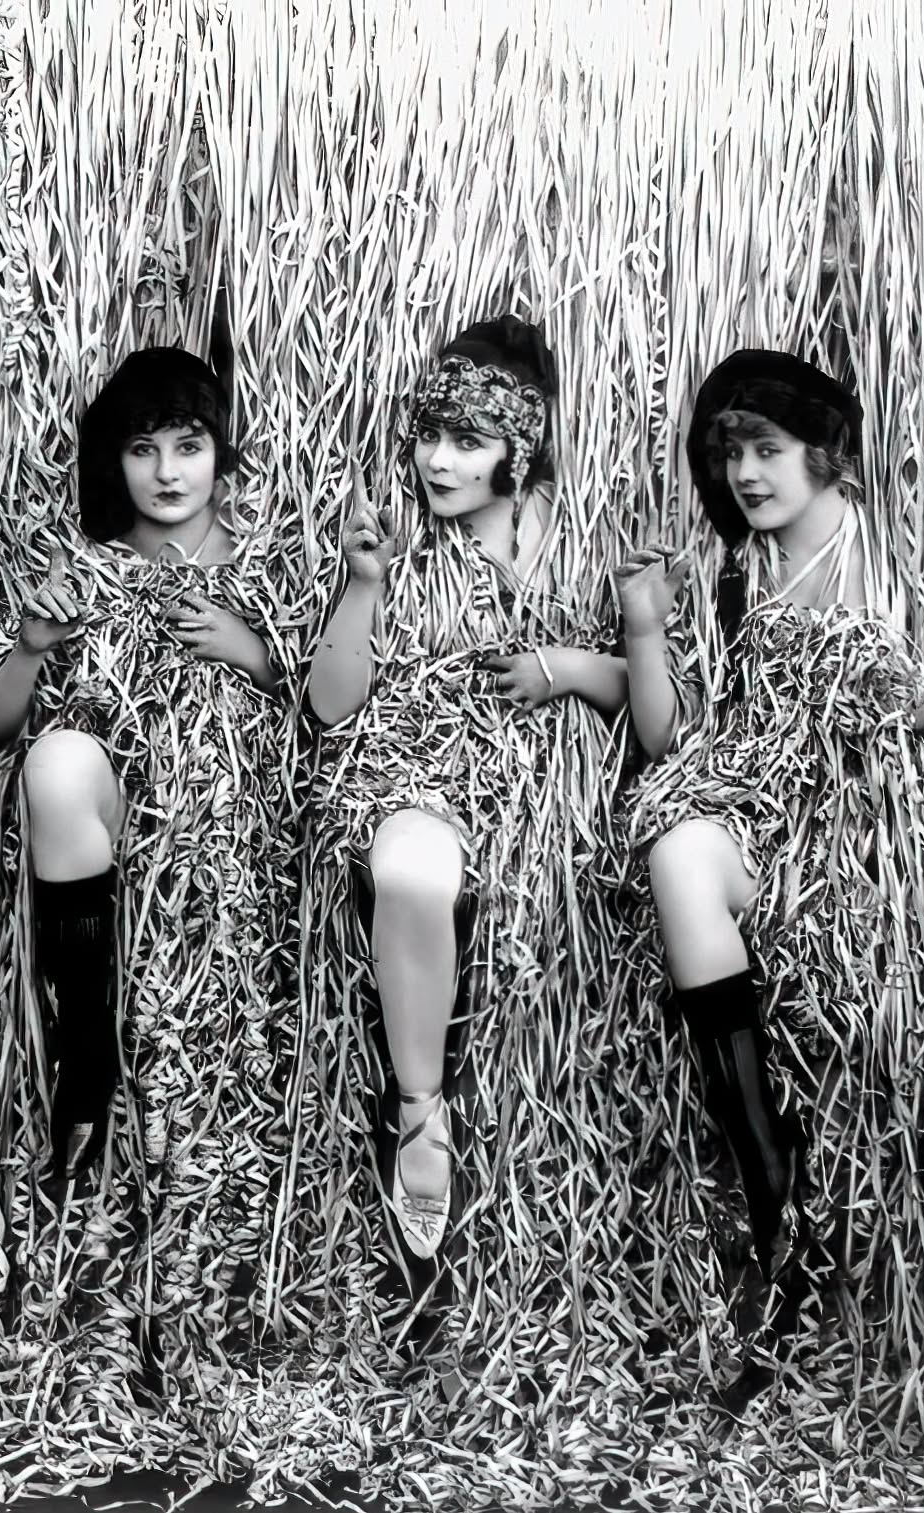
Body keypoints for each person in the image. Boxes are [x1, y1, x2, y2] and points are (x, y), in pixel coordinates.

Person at [618, 348, 924, 1399]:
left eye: (767, 448)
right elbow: (665, 740)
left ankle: (869, 1250)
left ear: (826, 453)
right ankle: (776, 1205)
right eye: (730, 453)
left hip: (876, 842)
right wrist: (646, 625)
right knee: (676, 851)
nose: (746, 473)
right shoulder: (727, 574)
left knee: (871, 1007)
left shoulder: (905, 553)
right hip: (760, 818)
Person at [0, 346, 297, 1421]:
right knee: (58, 759)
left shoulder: (270, 565)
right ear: (115, 462)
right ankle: (86, 1055)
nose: (166, 472)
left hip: (225, 859)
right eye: (143, 449)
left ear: (220, 455)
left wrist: (254, 653)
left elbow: (329, 720)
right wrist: (31, 647)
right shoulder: (79, 571)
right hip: (100, 854)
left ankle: (189, 1309)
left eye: (188, 446)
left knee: (200, 1086)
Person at [289, 314, 629, 1348]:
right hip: (412, 782)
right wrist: (363, 584)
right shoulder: (395, 541)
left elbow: (653, 698)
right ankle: (420, 1115)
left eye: (468, 440)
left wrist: (565, 667)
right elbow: (330, 709)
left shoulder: (578, 544)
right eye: (431, 434)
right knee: (408, 864)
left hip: (535, 805)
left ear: (519, 447)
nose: (439, 460)